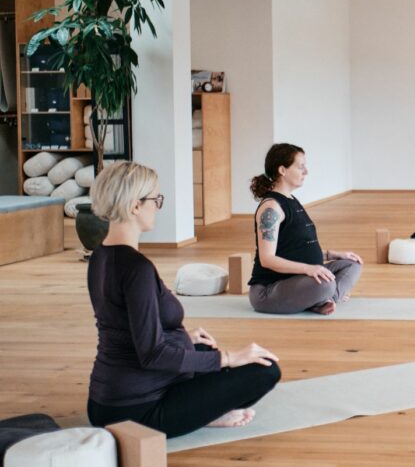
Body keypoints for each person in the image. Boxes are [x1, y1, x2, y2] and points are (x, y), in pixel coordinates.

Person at [85, 162, 281, 438]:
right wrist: (230, 357)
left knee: (201, 351)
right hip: (136, 412)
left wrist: (184, 338)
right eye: (155, 199)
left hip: (104, 403)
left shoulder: (100, 256)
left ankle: (202, 407)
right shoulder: (136, 269)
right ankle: (206, 415)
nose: (158, 206)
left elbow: (121, 327)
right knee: (266, 371)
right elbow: (153, 354)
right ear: (134, 206)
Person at [248, 143, 363, 315]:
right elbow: (267, 259)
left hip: (297, 280)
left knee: (352, 264)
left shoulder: (291, 200)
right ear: (282, 170)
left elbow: (296, 251)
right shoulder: (271, 208)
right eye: (301, 167)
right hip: (268, 291)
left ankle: (323, 299)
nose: (306, 171)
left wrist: (332, 254)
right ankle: (325, 296)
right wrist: (309, 269)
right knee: (326, 284)